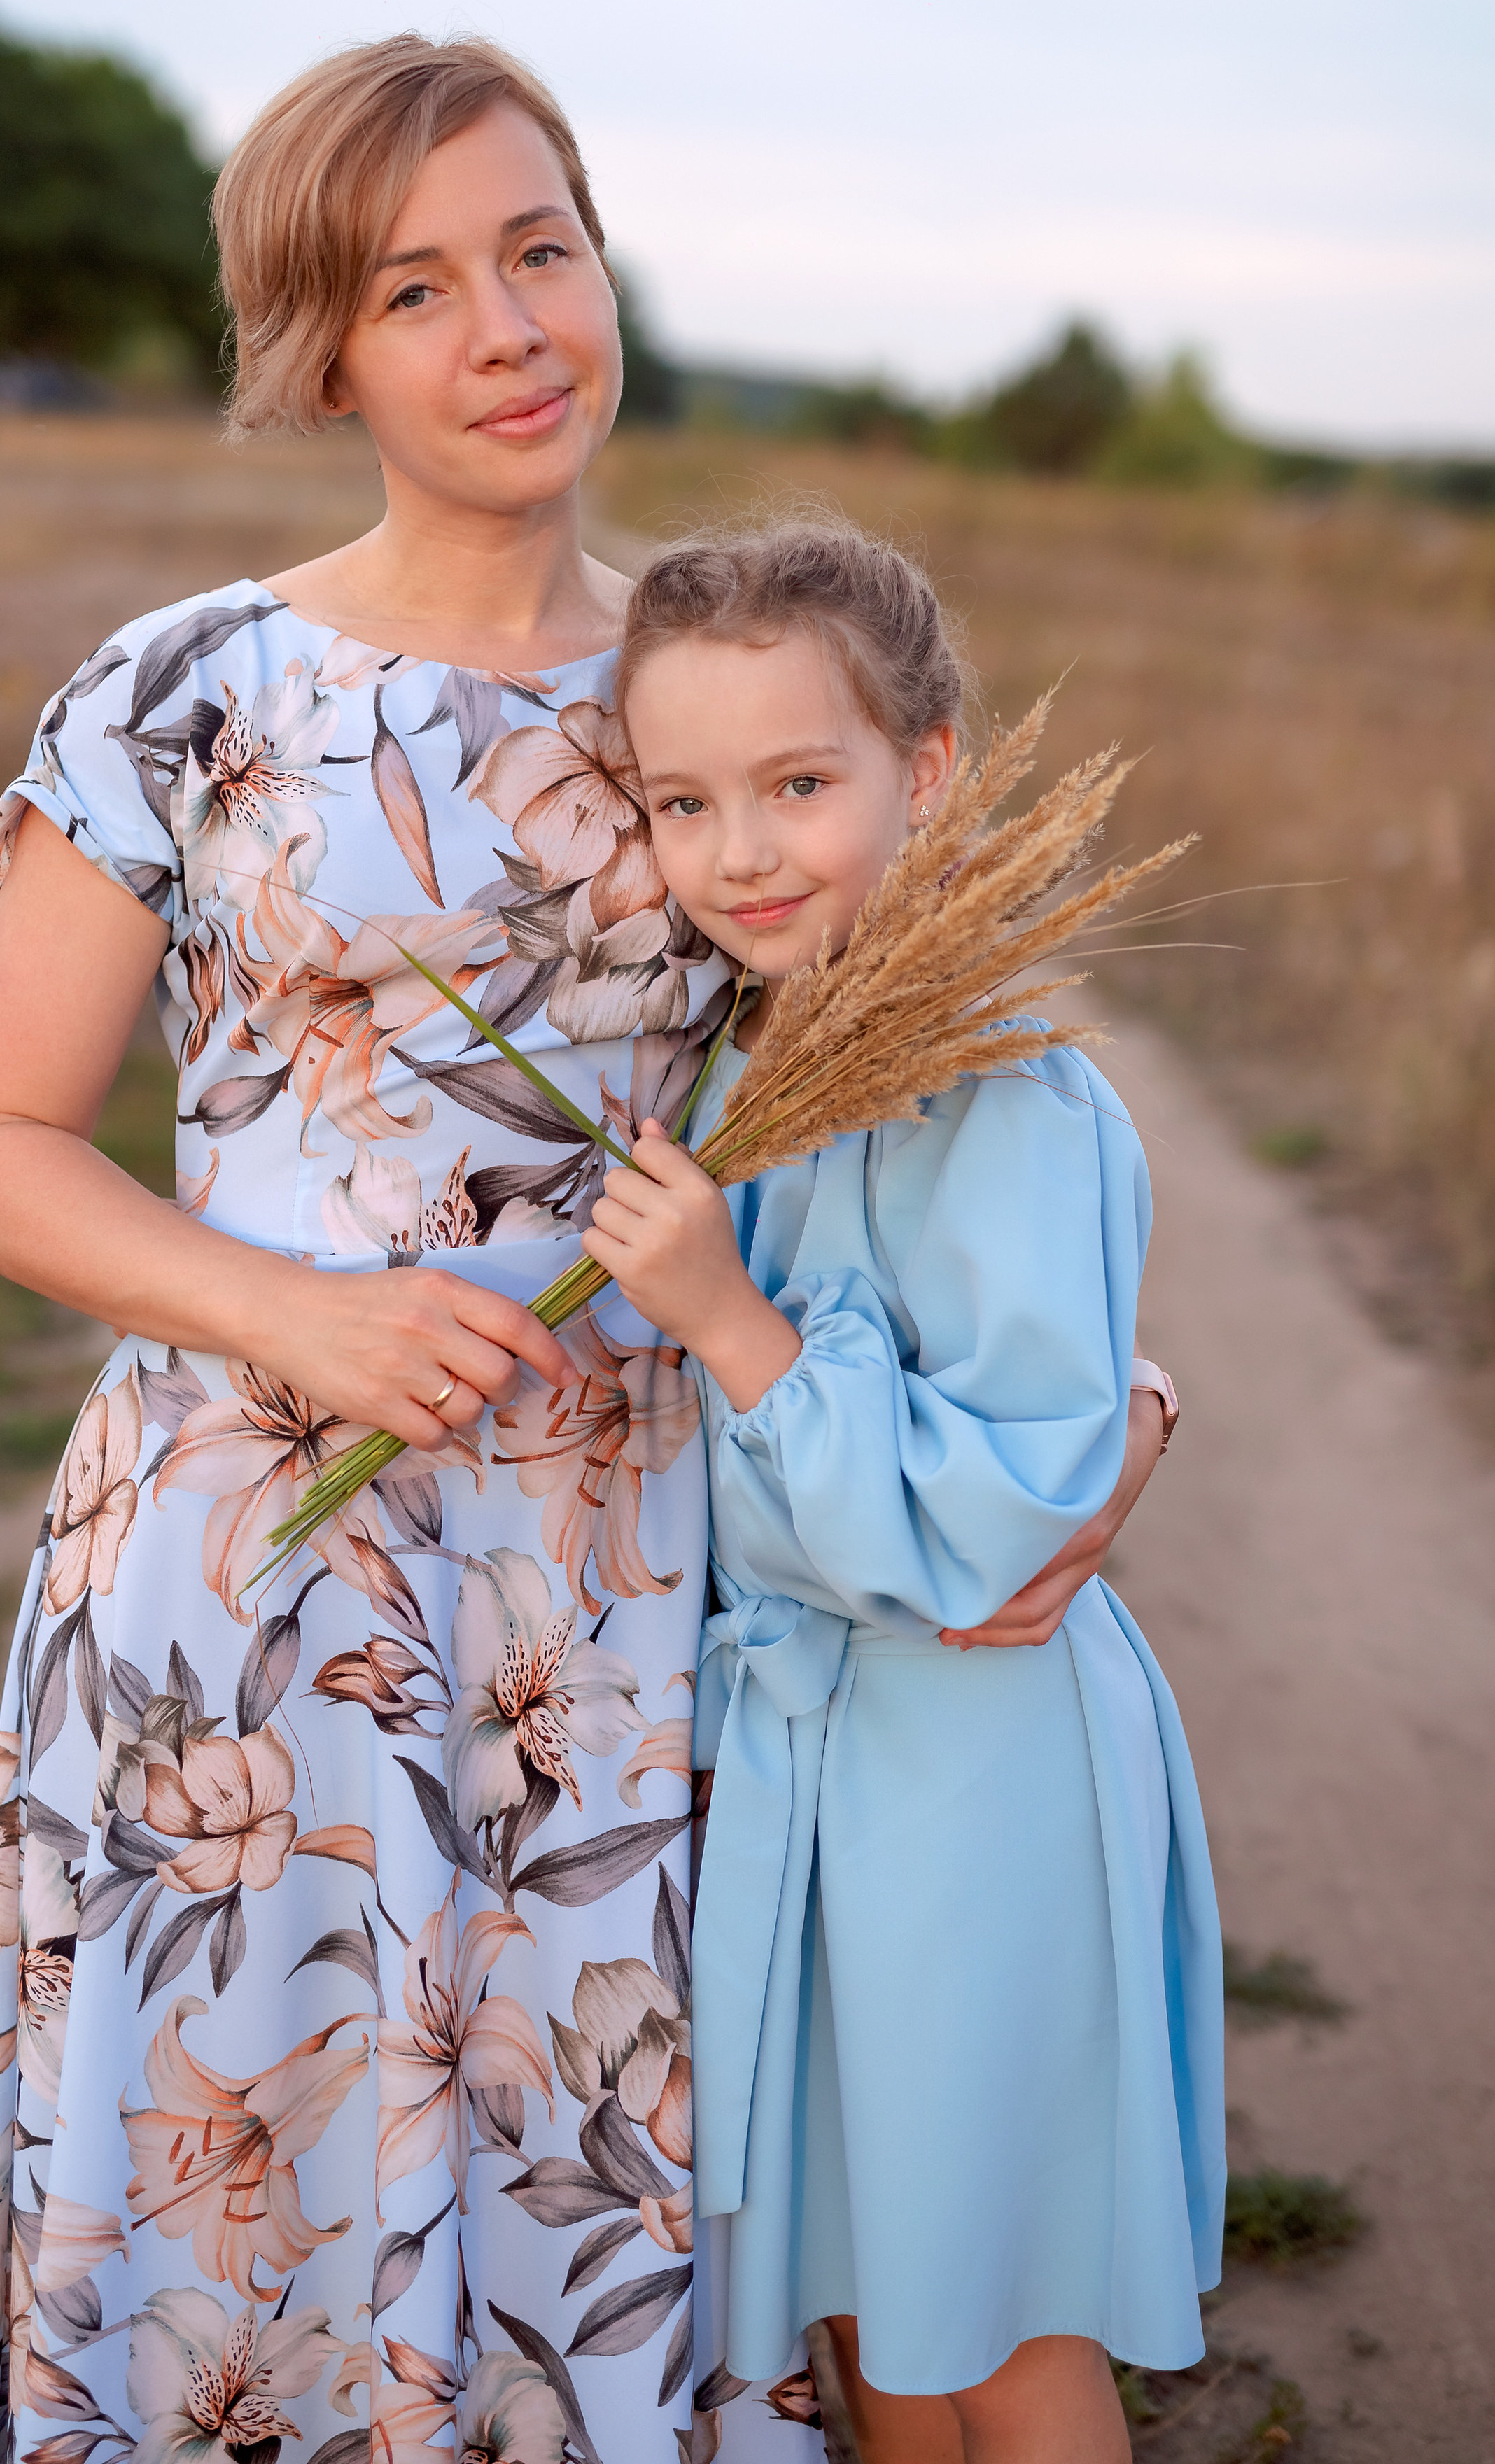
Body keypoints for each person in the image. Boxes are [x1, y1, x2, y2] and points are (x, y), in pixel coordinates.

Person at [0, 39, 1172, 2464]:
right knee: (250, 2217)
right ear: (321, 350)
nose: (506, 328)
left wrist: (1099, 1413)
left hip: (649, 1605)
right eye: (415, 286)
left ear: (606, 266)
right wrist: (296, 1313)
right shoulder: (190, 693)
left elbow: (920, 1134)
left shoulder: (718, 691)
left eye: (542, 249)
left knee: (597, 2202)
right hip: (258, 1579)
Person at [584, 517, 1225, 2464]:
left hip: (973, 1776)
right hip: (812, 1777)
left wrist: (727, 1319)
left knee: (994, 2316)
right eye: (685, 803)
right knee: (869, 2312)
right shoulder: (740, 1071)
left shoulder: (1011, 1091)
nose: (744, 853)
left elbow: (990, 1532)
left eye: (800, 784)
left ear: (927, 771)